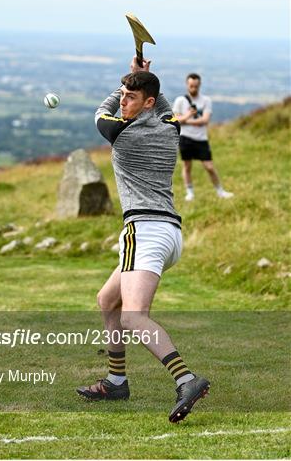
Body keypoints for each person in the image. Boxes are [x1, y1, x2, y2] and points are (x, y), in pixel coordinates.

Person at [76, 57, 210, 423]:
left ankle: (186, 379)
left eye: (130, 97)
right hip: (168, 233)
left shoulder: (123, 132)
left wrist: (122, 84)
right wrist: (140, 76)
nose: (123, 101)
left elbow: (100, 115)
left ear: (147, 102)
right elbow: (158, 99)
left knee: (134, 316)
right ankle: (116, 381)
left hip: (145, 230)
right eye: (123, 96)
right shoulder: (170, 126)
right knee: (107, 300)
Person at [173, 73, 234, 201]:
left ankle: (220, 191)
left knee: (209, 167)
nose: (193, 89)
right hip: (185, 138)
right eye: (191, 86)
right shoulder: (180, 100)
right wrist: (189, 115)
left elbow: (205, 120)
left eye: (195, 86)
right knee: (187, 166)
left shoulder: (206, 100)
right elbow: (176, 120)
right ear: (187, 85)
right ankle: (190, 193)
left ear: (199, 85)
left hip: (201, 139)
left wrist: (185, 120)